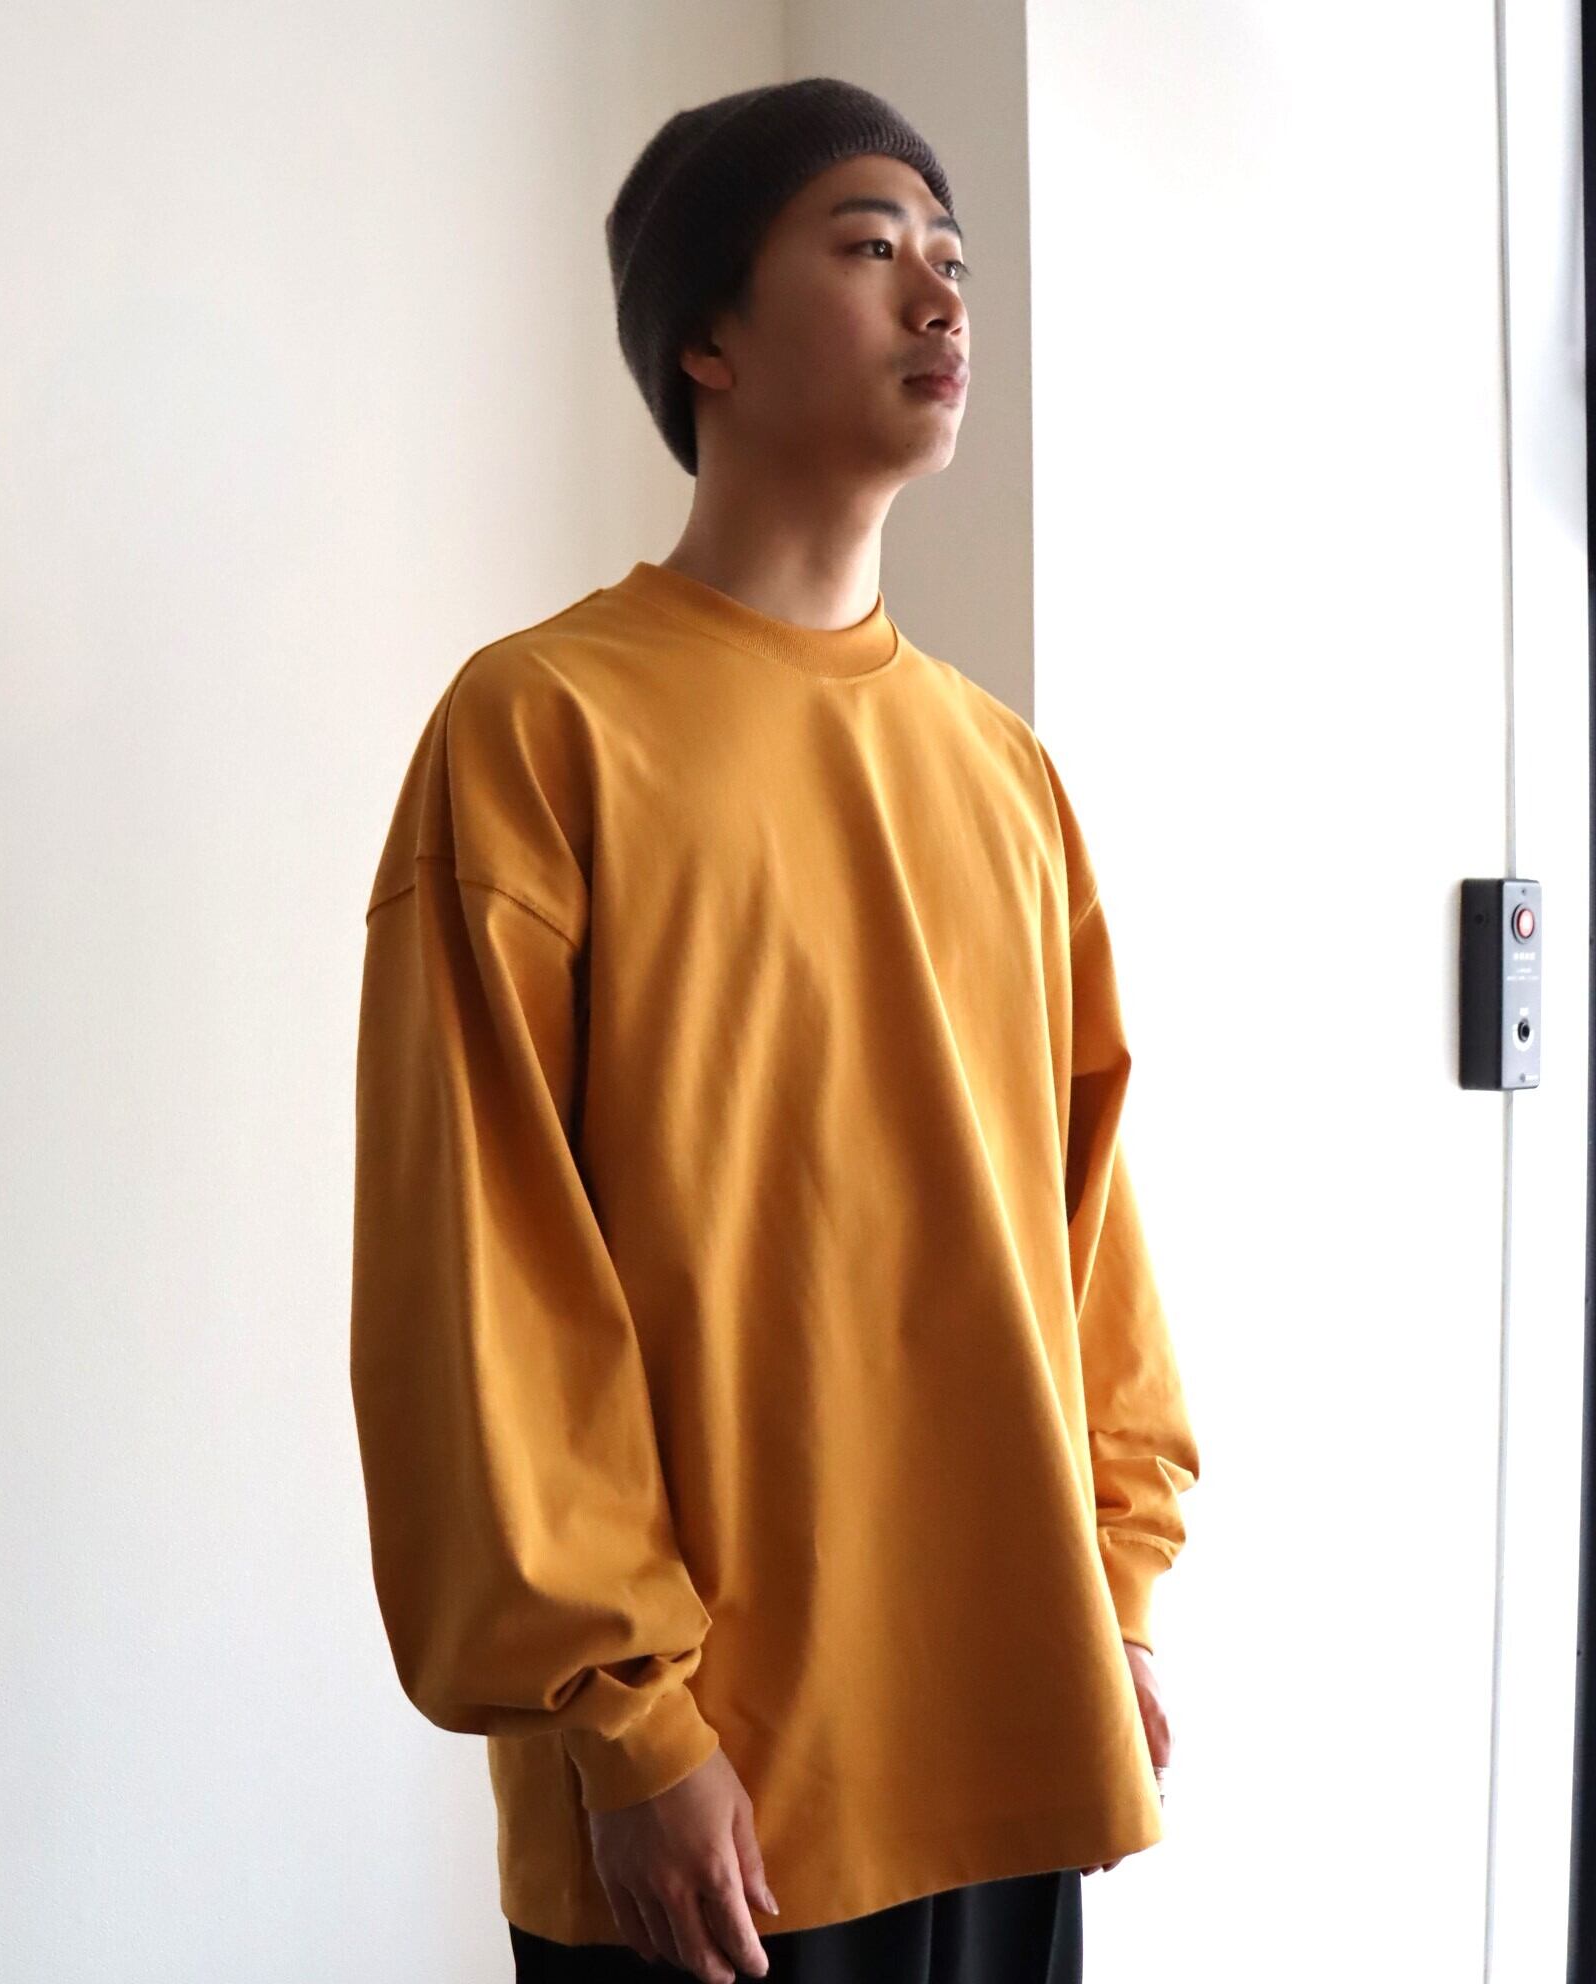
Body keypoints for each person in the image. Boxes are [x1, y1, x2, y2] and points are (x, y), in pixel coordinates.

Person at [348, 76, 1200, 1984]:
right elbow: (479, 1268)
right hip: (715, 1806)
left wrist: (1116, 1588)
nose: (942, 297)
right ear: (706, 339)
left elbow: (1088, 1234)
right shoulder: (544, 727)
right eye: (872, 245)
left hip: (1013, 1739)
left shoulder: (1004, 774)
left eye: (953, 257)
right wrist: (629, 1723)